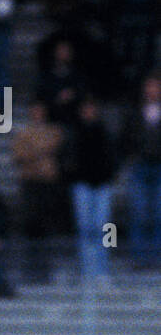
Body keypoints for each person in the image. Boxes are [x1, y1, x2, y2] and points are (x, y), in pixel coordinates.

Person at [65, 98, 121, 286]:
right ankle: (87, 270)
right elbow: (69, 157)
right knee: (85, 228)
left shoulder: (105, 131)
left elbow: (113, 156)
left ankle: (103, 270)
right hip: (82, 185)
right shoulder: (74, 131)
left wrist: (109, 174)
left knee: (106, 228)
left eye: (91, 108)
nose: (88, 112)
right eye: (85, 109)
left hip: (102, 185)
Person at [10, 100, 67, 282]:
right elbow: (19, 155)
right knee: (30, 225)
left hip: (48, 184)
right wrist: (42, 152)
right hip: (30, 183)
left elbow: (57, 145)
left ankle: (45, 268)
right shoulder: (23, 133)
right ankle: (30, 268)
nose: (38, 115)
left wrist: (32, 150)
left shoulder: (54, 131)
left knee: (47, 226)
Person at [124, 72, 161, 268]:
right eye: (149, 86)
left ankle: (156, 258)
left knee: (159, 215)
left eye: (155, 86)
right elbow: (127, 136)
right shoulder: (135, 112)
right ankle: (138, 259)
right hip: (140, 166)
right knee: (138, 214)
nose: (152, 90)